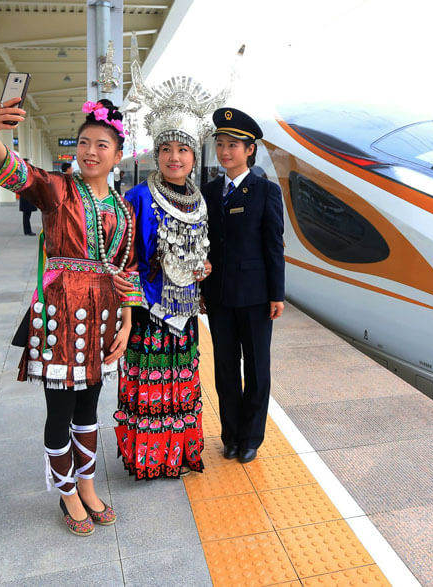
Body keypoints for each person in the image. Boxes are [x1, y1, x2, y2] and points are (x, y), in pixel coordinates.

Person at [0, 97, 142, 536]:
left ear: (117, 154)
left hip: (104, 318)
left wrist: (128, 323)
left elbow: (126, 268)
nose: (90, 151)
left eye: (101, 144)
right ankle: (66, 491)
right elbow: (21, 174)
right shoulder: (58, 190)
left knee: (90, 406)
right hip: (62, 314)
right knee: (60, 408)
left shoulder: (125, 210)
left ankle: (87, 484)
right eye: (84, 142)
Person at [112, 69, 217, 479]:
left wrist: (205, 267)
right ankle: (148, 457)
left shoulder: (200, 200)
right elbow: (125, 257)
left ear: (194, 156)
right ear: (156, 154)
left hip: (186, 312)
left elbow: (203, 250)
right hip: (148, 313)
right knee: (150, 387)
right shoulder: (138, 196)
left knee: (181, 380)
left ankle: (178, 453)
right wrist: (131, 309)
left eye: (183, 150)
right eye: (167, 149)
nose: (175, 157)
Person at [200, 107, 284, 464]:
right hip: (219, 297)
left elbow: (274, 245)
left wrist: (276, 293)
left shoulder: (265, 191)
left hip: (255, 297)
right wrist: (202, 291)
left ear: (250, 150)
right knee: (225, 370)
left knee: (257, 369)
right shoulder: (207, 191)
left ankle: (251, 437)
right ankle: (231, 435)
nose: (225, 151)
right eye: (220, 144)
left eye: (233, 145)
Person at [19, 157, 37, 235]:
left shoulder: (23, 172)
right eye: (28, 163)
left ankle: (27, 231)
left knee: (26, 215)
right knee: (26, 215)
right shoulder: (24, 173)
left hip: (26, 196)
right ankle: (27, 231)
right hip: (26, 196)